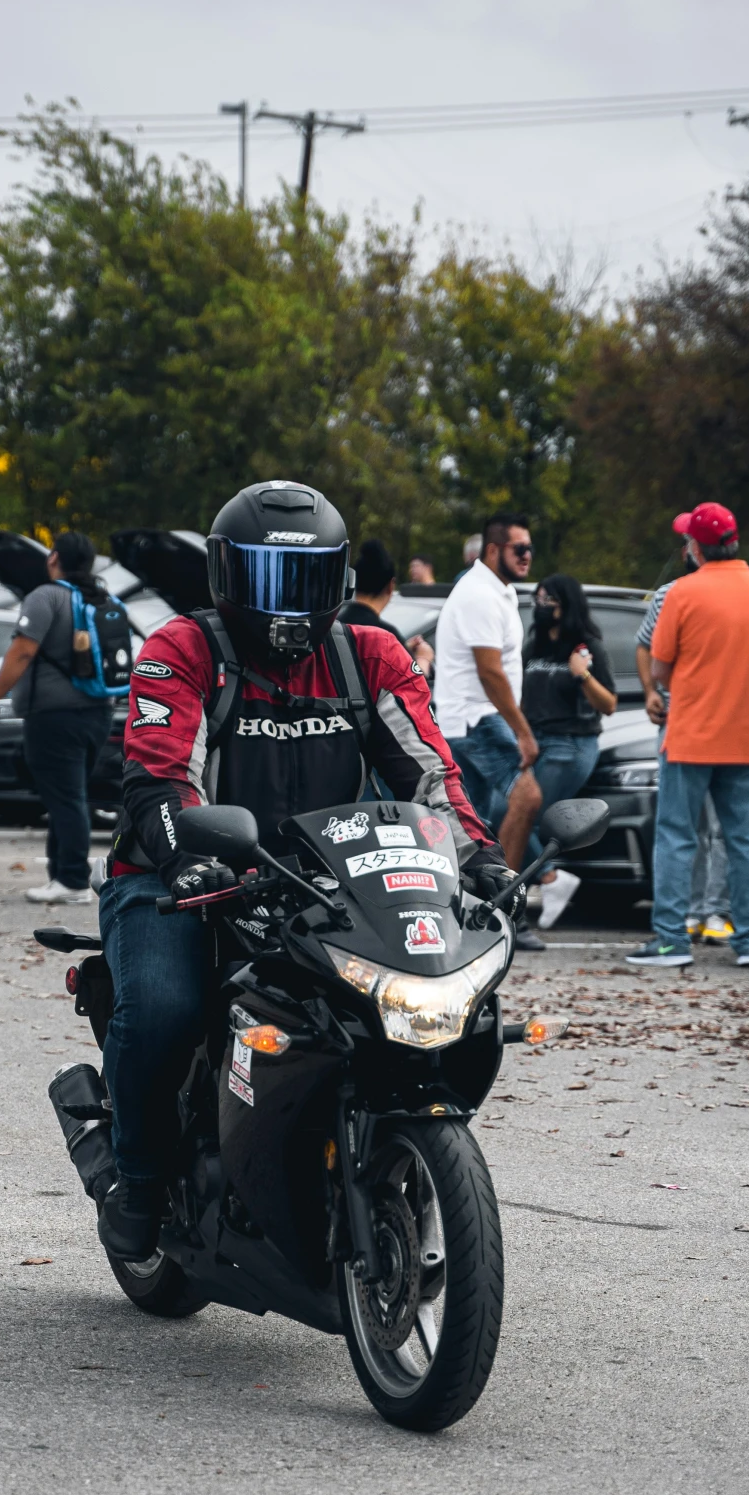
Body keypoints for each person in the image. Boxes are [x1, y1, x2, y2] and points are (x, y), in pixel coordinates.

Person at [94, 478, 511, 1260]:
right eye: (268, 579)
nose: (290, 603)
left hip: (324, 880)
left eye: (310, 580)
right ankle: (140, 1179)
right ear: (226, 575)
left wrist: (479, 858)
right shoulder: (183, 648)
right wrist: (183, 854)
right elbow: (158, 777)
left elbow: (431, 775)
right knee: (164, 1008)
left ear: (341, 582)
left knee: (418, 1005)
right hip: (176, 872)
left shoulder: (370, 655)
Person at [627, 501, 749, 970]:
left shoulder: (682, 593)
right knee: (747, 841)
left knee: (677, 836)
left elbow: (659, 667)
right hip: (746, 734)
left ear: (696, 547)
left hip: (691, 732)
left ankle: (673, 940)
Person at [0, 530, 116, 906]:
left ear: (54, 559)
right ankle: (60, 875)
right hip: (98, 711)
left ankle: (70, 879)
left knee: (65, 797)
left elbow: (22, 652)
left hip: (54, 716)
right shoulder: (102, 597)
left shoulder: (46, 596)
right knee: (70, 795)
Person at [432, 513, 542, 942]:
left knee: (466, 825)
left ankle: (469, 912)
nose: (528, 556)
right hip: (479, 718)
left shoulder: (497, 591)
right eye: (519, 549)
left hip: (471, 718)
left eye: (530, 548)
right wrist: (523, 731)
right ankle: (505, 906)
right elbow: (490, 671)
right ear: (493, 550)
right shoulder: (479, 594)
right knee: (527, 796)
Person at [637, 522, 733, 946]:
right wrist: (649, 694)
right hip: (702, 721)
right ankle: (701, 913)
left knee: (694, 828)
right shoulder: (669, 594)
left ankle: (709, 913)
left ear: (694, 548)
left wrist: (655, 688)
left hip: (693, 722)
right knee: (708, 826)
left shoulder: (682, 593)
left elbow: (654, 657)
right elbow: (646, 646)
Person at [520, 574, 616, 931]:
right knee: (506, 810)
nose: (541, 606)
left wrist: (583, 676)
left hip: (571, 743)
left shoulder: (588, 646)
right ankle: (547, 879)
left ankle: (547, 880)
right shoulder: (536, 644)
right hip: (534, 741)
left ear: (567, 604)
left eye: (549, 600)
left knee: (528, 815)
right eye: (538, 599)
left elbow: (609, 704)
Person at [339, 537, 434, 677]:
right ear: (391, 586)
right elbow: (417, 689)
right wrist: (423, 659)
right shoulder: (386, 637)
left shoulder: (335, 626)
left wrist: (403, 647)